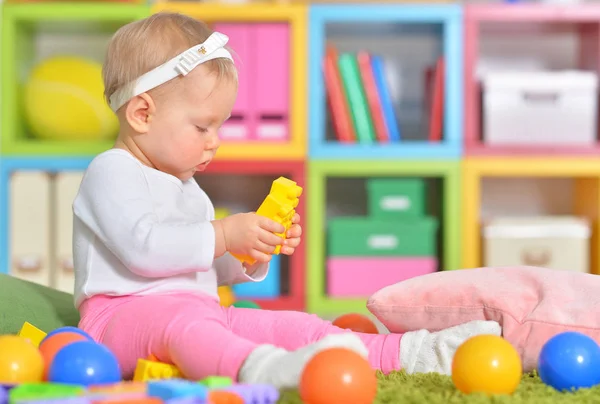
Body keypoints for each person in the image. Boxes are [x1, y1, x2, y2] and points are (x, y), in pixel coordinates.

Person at [73, 11, 501, 388]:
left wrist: (249, 251)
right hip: (119, 320)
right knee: (186, 328)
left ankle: (412, 354)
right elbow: (144, 250)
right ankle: (262, 369)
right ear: (141, 114)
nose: (214, 143)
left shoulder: (187, 188)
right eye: (203, 127)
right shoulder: (112, 170)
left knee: (292, 324)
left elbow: (199, 266)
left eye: (219, 128)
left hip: (197, 310)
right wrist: (223, 232)